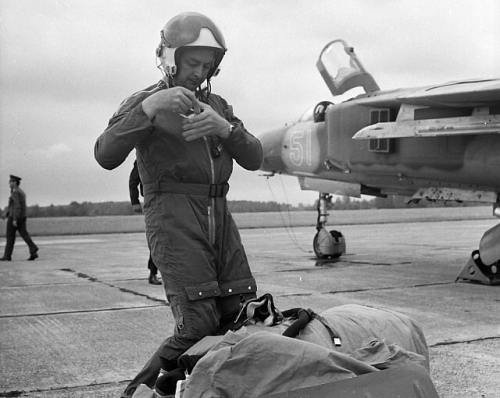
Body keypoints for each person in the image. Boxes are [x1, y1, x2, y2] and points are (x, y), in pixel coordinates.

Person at [94, 12, 263, 397]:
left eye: (207, 66)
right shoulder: (144, 103)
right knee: (198, 325)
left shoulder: (217, 105)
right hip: (173, 219)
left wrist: (225, 129)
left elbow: (255, 157)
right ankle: (136, 393)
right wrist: (149, 109)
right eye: (192, 63)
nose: (199, 73)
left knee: (241, 316)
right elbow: (105, 154)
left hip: (220, 219)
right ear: (170, 58)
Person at [129, 159, 161, 285]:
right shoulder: (143, 158)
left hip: (171, 199)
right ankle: (153, 273)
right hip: (152, 200)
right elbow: (133, 182)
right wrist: (135, 202)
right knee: (157, 238)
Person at [1, 175, 39, 261]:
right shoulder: (20, 191)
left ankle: (7, 255)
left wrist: (14, 219)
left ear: (15, 183)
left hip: (15, 217)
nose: (9, 183)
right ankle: (33, 250)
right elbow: (13, 205)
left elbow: (17, 207)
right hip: (22, 216)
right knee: (24, 234)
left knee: (10, 236)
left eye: (11, 181)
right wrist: (6, 213)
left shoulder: (15, 192)